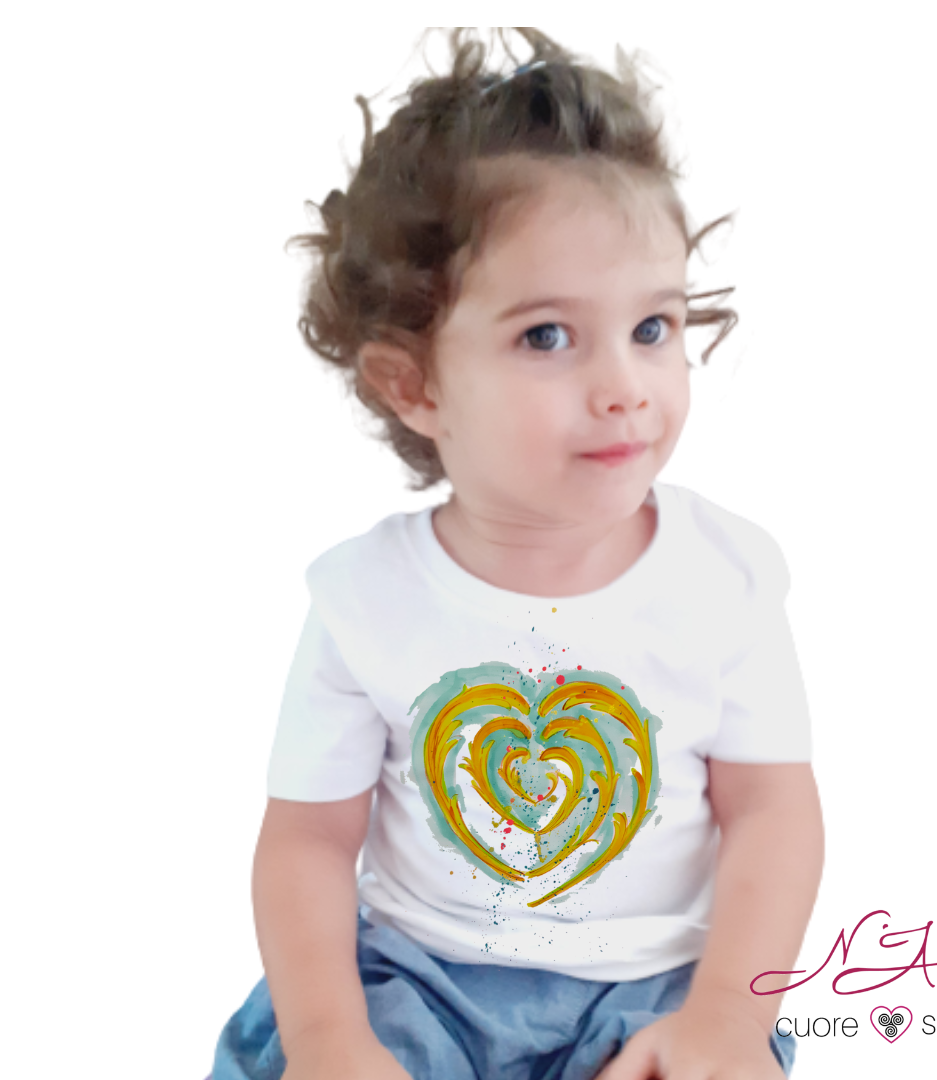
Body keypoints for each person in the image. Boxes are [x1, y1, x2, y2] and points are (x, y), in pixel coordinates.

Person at [210, 26, 824, 1080]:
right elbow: (309, 839)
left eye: (653, 328)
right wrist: (327, 1036)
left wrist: (728, 1011)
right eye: (547, 336)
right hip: (418, 983)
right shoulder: (367, 598)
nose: (625, 387)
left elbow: (772, 813)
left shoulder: (724, 579)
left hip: (658, 989)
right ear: (413, 385)